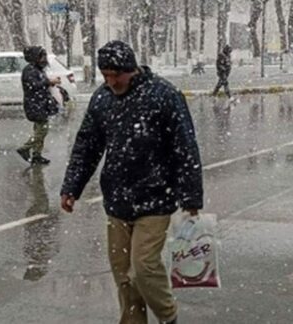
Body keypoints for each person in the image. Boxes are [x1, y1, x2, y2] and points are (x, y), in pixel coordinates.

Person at [60, 40, 203, 324]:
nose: (111, 81)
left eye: (116, 75)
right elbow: (87, 146)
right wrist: (71, 187)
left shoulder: (164, 95)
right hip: (116, 199)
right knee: (123, 273)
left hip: (156, 197)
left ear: (132, 69)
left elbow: (185, 146)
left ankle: (168, 316)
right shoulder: (102, 99)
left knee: (143, 266)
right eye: (106, 75)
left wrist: (191, 198)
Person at [17, 46, 60, 165]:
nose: (44, 59)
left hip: (40, 103)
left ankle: (37, 155)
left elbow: (40, 83)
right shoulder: (30, 70)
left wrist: (49, 82)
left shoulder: (37, 69)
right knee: (42, 130)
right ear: (36, 57)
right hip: (35, 104)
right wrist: (49, 82)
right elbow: (34, 85)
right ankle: (25, 148)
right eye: (42, 56)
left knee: (39, 129)